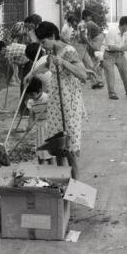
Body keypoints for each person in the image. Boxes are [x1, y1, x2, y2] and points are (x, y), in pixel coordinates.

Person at [32, 21, 87, 180]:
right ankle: (62, 182)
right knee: (57, 147)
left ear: (53, 36)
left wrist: (63, 62)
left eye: (44, 42)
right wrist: (31, 74)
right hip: (56, 104)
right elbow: (47, 66)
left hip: (69, 103)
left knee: (69, 148)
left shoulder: (69, 51)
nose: (42, 46)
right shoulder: (52, 52)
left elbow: (82, 75)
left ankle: (75, 185)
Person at [103, 16, 127, 100]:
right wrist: (121, 49)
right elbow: (110, 47)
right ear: (124, 25)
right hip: (109, 55)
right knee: (110, 75)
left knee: (125, 73)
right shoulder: (112, 31)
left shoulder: (125, 34)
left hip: (120, 55)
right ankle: (112, 93)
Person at [26, 77, 53, 165]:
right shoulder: (31, 101)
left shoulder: (47, 98)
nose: (31, 97)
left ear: (40, 90)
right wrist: (29, 125)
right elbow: (31, 115)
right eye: (29, 95)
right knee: (40, 150)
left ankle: (51, 169)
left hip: (48, 127)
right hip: (39, 128)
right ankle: (40, 169)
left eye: (32, 94)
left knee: (49, 151)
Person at [76, 10, 103, 89]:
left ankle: (94, 82)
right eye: (89, 16)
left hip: (81, 46)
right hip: (81, 46)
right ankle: (95, 81)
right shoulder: (83, 24)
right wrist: (90, 45)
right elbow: (83, 36)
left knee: (88, 64)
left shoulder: (82, 24)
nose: (90, 18)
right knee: (86, 64)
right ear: (85, 16)